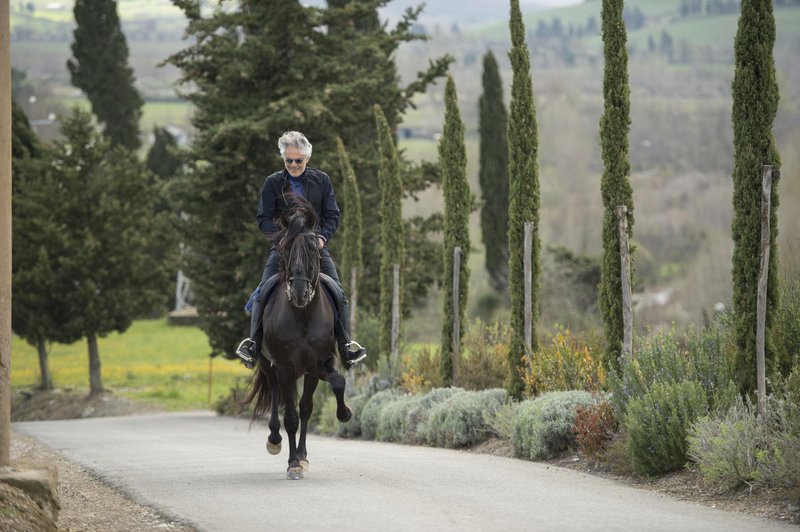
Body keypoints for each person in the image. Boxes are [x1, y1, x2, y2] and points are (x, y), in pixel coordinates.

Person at [235, 131, 367, 370]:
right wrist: (281, 239)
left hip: (314, 249)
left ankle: (346, 346)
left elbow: (332, 215)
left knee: (338, 293)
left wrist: (322, 239)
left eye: (298, 160)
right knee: (262, 292)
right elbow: (263, 218)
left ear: (307, 158)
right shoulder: (273, 182)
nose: (294, 165)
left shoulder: (322, 180)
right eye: (289, 161)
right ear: (283, 160)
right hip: (283, 248)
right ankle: (252, 346)